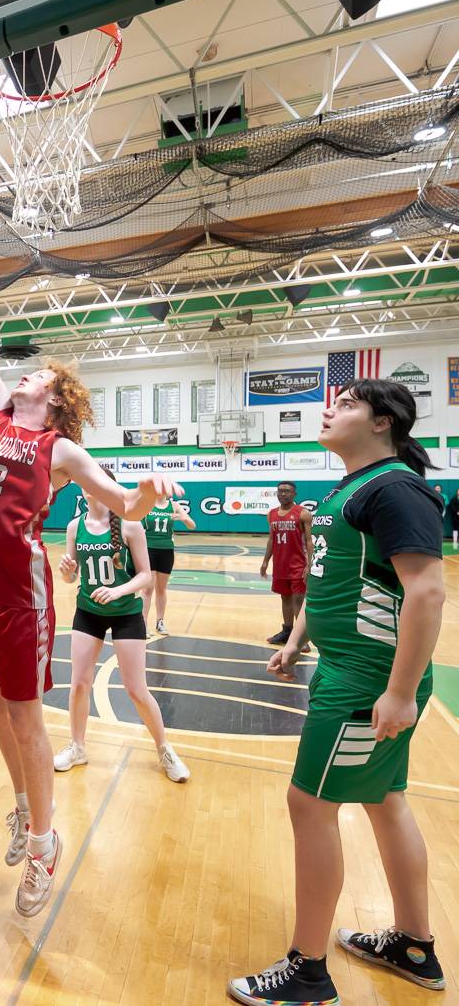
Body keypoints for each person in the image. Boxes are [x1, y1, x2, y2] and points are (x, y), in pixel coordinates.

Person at [0, 228, 180, 919]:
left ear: (56, 393)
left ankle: (45, 842)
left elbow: (124, 502)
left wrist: (151, 496)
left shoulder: (62, 448)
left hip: (19, 595)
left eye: (37, 374)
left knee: (25, 718)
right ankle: (23, 806)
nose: (24, 374)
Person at [229, 378, 445, 1005]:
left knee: (310, 806)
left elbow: (427, 593)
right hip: (345, 667)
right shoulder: (350, 487)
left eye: (347, 403)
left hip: (366, 680)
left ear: (384, 423)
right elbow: (331, 579)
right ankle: (413, 944)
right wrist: (298, 638)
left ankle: (308, 971)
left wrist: (400, 692)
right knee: (385, 799)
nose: (329, 409)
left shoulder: (396, 487)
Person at [54, 471, 190, 782]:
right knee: (78, 683)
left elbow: (145, 576)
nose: (90, 488)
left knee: (136, 689)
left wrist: (118, 590)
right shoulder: (75, 526)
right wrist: (67, 572)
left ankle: (165, 750)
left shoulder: (129, 524)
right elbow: (71, 577)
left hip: (126, 612)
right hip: (88, 611)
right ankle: (77, 746)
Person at [260, 481, 314, 645]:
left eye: (287, 491)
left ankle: (301, 640)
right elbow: (271, 540)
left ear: (294, 494)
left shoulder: (303, 513)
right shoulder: (272, 514)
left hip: (298, 565)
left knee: (298, 600)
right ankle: (287, 631)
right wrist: (265, 561)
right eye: (280, 491)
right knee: (285, 598)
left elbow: (310, 541)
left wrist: (309, 565)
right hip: (280, 565)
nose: (283, 494)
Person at [141, 496, 196, 634]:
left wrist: (184, 518)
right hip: (149, 549)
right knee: (148, 588)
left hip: (166, 551)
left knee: (161, 588)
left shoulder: (174, 505)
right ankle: (143, 623)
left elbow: (192, 525)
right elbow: (136, 525)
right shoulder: (147, 504)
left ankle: (160, 622)